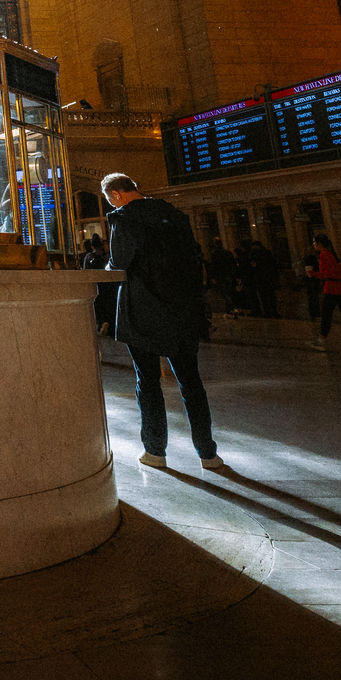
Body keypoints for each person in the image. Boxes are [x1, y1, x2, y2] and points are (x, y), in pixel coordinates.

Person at [102, 173, 223, 471]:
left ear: (116, 195)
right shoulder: (174, 215)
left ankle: (155, 451)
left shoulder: (124, 218)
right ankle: (208, 454)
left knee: (148, 381)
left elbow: (119, 263)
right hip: (182, 309)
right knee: (191, 382)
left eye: (109, 199)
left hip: (143, 310)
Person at [80, 232, 116, 337]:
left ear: (92, 246)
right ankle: (110, 326)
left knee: (98, 308)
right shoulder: (107, 256)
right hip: (108, 287)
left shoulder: (89, 257)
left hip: (96, 287)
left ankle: (101, 325)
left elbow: (86, 273)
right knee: (109, 307)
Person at [246, 240, 281, 318]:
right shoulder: (263, 253)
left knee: (266, 296)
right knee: (267, 296)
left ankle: (269, 311)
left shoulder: (259, 254)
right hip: (264, 277)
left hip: (263, 277)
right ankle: (271, 311)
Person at [205, 241, 240, 315]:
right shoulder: (228, 253)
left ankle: (232, 307)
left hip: (220, 275)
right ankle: (229, 310)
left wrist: (213, 276)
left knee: (224, 293)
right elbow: (233, 264)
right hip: (228, 274)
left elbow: (213, 266)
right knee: (229, 291)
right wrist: (236, 275)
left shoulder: (215, 254)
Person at [300, 242, 323, 321]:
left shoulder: (306, 258)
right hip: (313, 280)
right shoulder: (311, 258)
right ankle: (315, 313)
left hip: (310, 280)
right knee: (314, 297)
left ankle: (313, 313)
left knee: (312, 297)